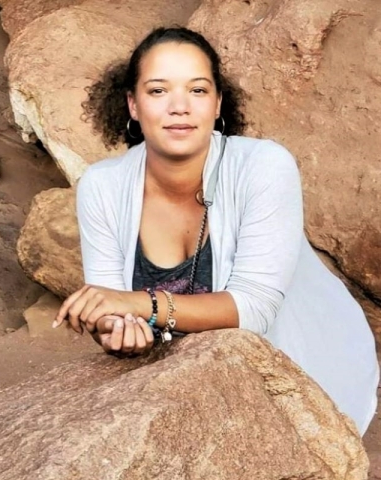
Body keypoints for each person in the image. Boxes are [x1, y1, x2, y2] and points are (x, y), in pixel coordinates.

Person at [52, 27, 379, 435]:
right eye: (158, 91)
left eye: (198, 90)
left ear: (218, 102)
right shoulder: (101, 186)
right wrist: (115, 332)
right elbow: (112, 307)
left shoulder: (264, 166)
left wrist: (140, 305)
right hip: (172, 383)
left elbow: (254, 311)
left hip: (294, 369)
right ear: (133, 105)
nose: (179, 107)